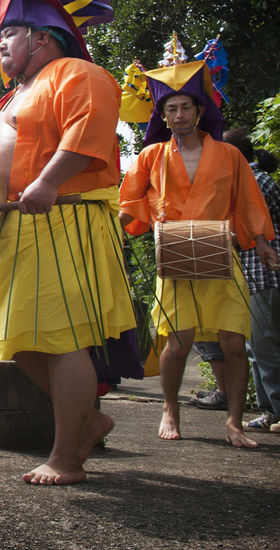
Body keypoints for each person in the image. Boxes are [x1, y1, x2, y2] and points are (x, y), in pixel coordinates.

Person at [0, 0, 136, 485]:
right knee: (16, 341)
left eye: (8, 34)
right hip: (12, 225)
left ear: (40, 37)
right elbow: (9, 151)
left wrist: (48, 181)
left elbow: (88, 133)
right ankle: (89, 422)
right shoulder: (14, 95)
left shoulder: (78, 73)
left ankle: (66, 458)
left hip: (60, 220)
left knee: (63, 341)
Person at [119, 65, 278, 448]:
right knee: (178, 342)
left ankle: (234, 422)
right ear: (162, 115)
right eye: (171, 108)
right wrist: (110, 233)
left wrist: (261, 241)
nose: (179, 115)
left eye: (185, 107)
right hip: (175, 253)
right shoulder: (151, 155)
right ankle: (170, 408)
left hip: (220, 250)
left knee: (234, 341)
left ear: (200, 110)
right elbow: (130, 201)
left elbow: (247, 200)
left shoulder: (229, 155)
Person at [217, 129, 280, 432]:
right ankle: (269, 411)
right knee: (257, 346)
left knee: (266, 345)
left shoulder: (255, 181)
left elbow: (246, 231)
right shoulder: (247, 180)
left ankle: (276, 410)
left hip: (265, 273)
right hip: (254, 275)